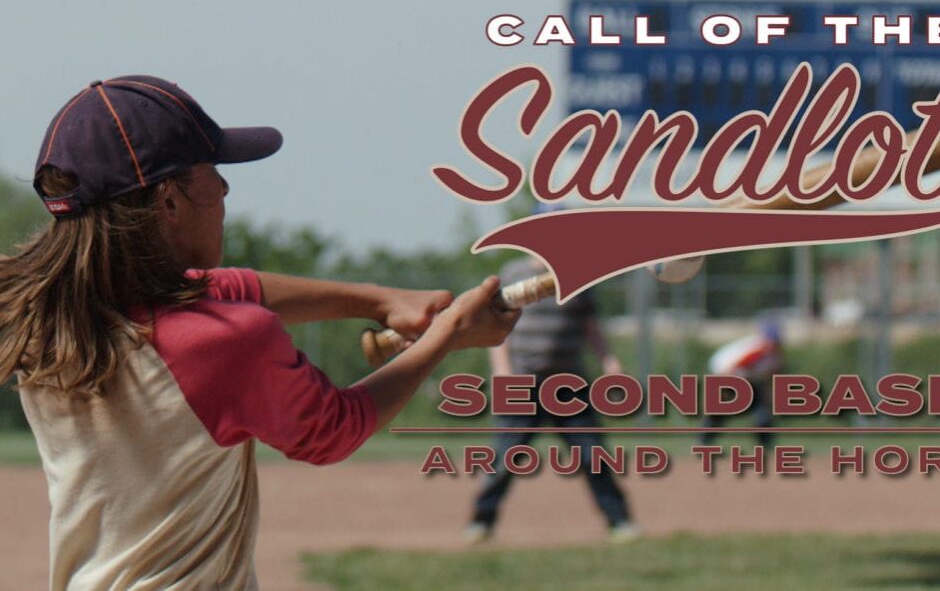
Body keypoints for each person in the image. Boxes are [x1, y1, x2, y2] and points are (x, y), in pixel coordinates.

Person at [0, 76, 520, 590]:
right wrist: (446, 338)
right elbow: (336, 429)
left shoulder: (46, 314)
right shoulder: (225, 341)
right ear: (169, 203)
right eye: (208, 171)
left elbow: (219, 289)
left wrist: (378, 301)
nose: (224, 187)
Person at [466, 253, 639, 544]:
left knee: (592, 455)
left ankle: (619, 521)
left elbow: (590, 325)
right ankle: (481, 522)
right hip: (522, 383)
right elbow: (497, 324)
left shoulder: (582, 274)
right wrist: (502, 370)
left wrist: (608, 360)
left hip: (569, 385)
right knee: (506, 458)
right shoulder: (514, 272)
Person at [699, 319, 784, 447]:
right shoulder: (756, 349)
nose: (774, 343)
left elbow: (769, 376)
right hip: (725, 375)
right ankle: (703, 442)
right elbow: (729, 369)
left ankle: (766, 446)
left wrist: (768, 395)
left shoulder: (775, 356)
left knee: (762, 414)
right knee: (718, 412)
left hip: (747, 381)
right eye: (771, 339)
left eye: (775, 340)